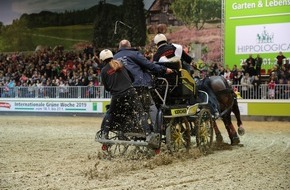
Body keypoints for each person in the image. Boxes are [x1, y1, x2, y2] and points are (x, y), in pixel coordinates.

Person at [99, 49, 158, 146]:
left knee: (110, 113)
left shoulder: (104, 71)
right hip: (130, 92)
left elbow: (107, 88)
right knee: (140, 113)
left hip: (116, 96)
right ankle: (148, 134)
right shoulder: (120, 64)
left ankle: (104, 134)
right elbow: (132, 78)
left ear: (102, 59)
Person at [153, 33, 220, 118]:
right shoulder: (176, 47)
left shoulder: (156, 56)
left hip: (166, 86)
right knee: (194, 85)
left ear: (156, 44)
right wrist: (197, 67)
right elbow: (189, 60)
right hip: (181, 81)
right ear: (166, 40)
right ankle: (195, 103)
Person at [113, 39, 173, 131]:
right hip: (138, 85)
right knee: (150, 107)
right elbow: (149, 65)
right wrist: (164, 69)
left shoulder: (114, 57)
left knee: (130, 108)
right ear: (129, 47)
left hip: (122, 88)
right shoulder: (134, 54)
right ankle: (156, 130)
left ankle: (131, 128)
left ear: (119, 47)